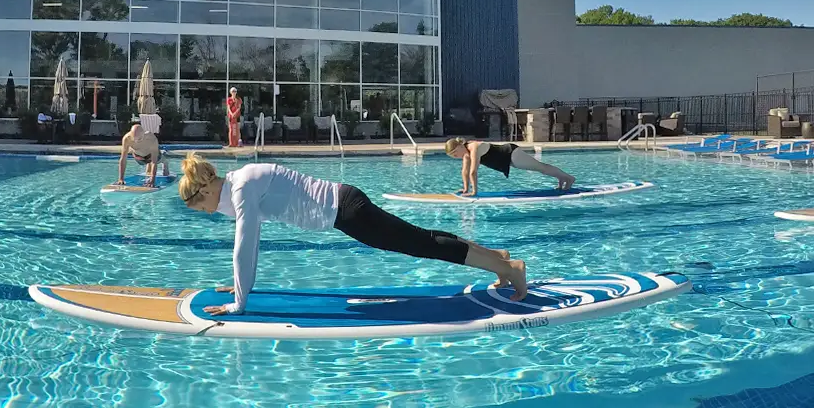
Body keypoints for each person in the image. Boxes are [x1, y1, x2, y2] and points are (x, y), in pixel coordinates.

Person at [178, 154, 528, 314]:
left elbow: (245, 246)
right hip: (345, 208)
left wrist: (240, 301)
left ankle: (511, 270)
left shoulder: (241, 190)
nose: (207, 213)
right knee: (420, 238)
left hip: (347, 211)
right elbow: (247, 245)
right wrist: (241, 285)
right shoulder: (239, 183)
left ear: (204, 192)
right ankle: (499, 261)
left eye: (200, 208)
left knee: (422, 243)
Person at [444, 138, 575, 196]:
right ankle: (561, 178)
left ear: (460, 146)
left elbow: (473, 172)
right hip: (507, 158)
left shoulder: (474, 148)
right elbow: (465, 172)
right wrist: (466, 189)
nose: (457, 157)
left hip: (511, 153)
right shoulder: (466, 153)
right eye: (454, 157)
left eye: (456, 154)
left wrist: (474, 192)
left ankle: (568, 178)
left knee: (540, 167)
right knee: (540, 168)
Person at [114, 123, 170, 187]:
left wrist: (152, 181)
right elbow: (123, 159)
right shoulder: (127, 139)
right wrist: (121, 179)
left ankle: (165, 163)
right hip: (139, 156)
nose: (137, 141)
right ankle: (148, 164)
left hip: (151, 154)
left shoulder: (151, 138)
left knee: (160, 160)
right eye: (134, 139)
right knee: (146, 165)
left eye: (139, 139)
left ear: (144, 134)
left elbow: (154, 161)